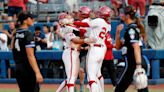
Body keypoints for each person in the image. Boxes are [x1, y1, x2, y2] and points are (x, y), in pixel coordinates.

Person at [74, 6, 112, 92]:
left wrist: (73, 22)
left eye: (99, 12)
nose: (97, 13)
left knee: (91, 77)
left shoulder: (99, 21)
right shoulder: (108, 24)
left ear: (102, 14)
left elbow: (85, 24)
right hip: (101, 49)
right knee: (98, 74)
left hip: (95, 49)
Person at [56, 13, 96, 92]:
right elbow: (75, 40)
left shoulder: (71, 27)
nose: (70, 18)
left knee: (71, 77)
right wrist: (86, 40)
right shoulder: (67, 28)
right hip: (70, 52)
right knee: (71, 78)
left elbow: (79, 33)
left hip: (75, 52)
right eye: (68, 17)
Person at [115, 6, 149, 92]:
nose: (120, 15)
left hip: (133, 64)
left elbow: (136, 48)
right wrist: (118, 33)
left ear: (127, 16)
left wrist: (138, 66)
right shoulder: (129, 28)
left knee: (119, 89)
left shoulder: (131, 30)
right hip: (133, 63)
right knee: (142, 89)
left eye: (122, 13)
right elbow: (118, 47)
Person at [12, 11, 43, 92]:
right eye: (31, 18)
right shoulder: (28, 34)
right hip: (28, 69)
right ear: (25, 20)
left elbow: (12, 48)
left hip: (19, 68)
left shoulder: (16, 33)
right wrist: (37, 72)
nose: (33, 20)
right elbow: (30, 55)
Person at [78, 6, 92, 92]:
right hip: (89, 47)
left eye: (80, 12)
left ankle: (83, 86)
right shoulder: (90, 21)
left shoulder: (85, 22)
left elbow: (82, 35)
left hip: (85, 47)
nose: (78, 14)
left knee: (82, 69)